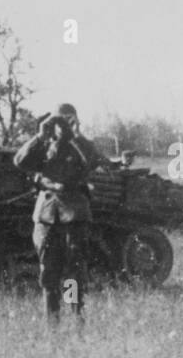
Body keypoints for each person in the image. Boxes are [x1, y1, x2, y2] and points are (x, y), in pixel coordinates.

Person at [13, 103, 111, 322]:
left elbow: (91, 162)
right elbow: (20, 161)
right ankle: (53, 321)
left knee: (74, 271)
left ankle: (76, 316)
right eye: (60, 120)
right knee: (48, 271)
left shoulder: (81, 145)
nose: (63, 125)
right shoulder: (44, 145)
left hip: (74, 214)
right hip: (47, 215)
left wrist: (76, 136)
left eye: (68, 119)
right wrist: (40, 135)